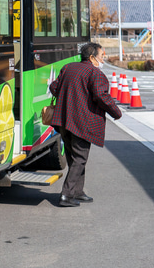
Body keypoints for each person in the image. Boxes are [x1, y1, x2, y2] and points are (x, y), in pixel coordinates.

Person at [49, 42, 122, 207]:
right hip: (81, 122)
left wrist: (68, 97)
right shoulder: (94, 73)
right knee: (80, 158)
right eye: (102, 56)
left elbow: (54, 86)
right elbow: (101, 96)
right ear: (92, 57)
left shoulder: (68, 67)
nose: (103, 60)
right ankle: (66, 195)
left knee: (73, 157)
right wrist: (116, 112)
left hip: (63, 120)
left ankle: (78, 191)